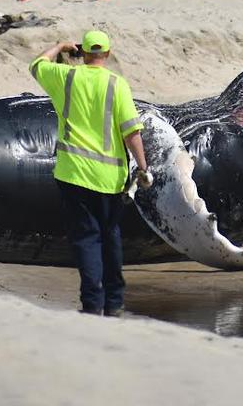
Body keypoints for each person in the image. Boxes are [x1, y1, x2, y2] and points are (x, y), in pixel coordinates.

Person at [30, 31, 151, 317]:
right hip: (110, 179)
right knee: (110, 236)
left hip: (72, 174)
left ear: (82, 52)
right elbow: (131, 131)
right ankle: (114, 302)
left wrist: (59, 46)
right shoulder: (116, 84)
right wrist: (143, 167)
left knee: (86, 238)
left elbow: (36, 64)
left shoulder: (66, 77)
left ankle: (92, 303)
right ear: (107, 54)